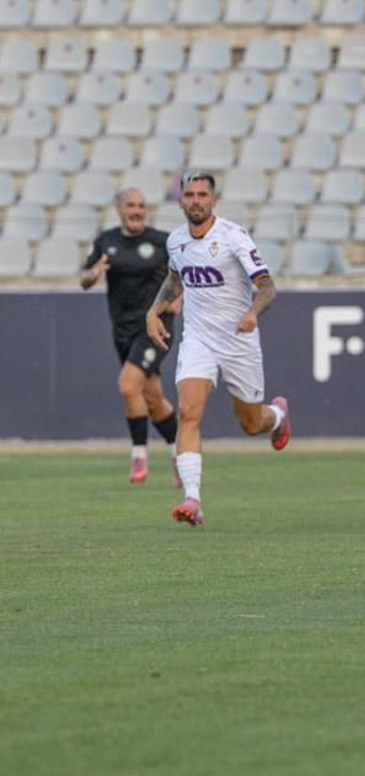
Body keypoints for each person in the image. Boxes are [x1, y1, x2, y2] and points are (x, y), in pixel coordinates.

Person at [144, 170, 291, 526]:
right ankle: (192, 499)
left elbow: (267, 287)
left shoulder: (233, 237)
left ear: (213, 200)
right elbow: (176, 277)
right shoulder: (176, 241)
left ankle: (279, 417)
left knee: (251, 424)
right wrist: (154, 311)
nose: (195, 201)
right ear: (180, 201)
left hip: (238, 341)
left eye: (202, 195)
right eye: (189, 195)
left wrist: (252, 313)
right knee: (189, 412)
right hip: (199, 339)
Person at [80, 188, 180, 485]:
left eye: (141, 205)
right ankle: (181, 458)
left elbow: (185, 274)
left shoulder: (161, 241)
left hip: (155, 328)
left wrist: (180, 297)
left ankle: (139, 456)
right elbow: (84, 280)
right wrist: (94, 273)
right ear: (119, 209)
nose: (137, 210)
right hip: (122, 331)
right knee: (153, 399)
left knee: (127, 386)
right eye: (131, 205)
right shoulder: (107, 242)